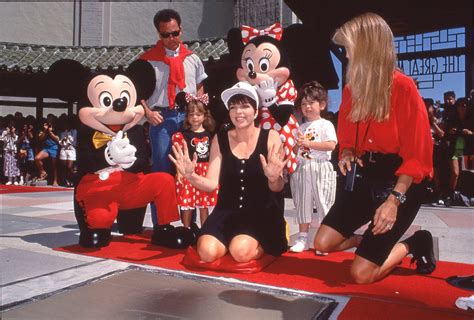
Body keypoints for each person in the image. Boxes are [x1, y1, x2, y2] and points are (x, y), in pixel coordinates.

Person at [313, 13, 436, 284]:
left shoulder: (404, 88)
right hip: (365, 174)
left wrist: (393, 201)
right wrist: (346, 151)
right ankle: (368, 243)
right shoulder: (350, 90)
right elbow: (347, 138)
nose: (345, 56)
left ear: (367, 48)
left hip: (402, 180)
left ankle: (414, 243)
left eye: (348, 49)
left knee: (361, 274)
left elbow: (418, 157)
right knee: (322, 244)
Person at [169, 82, 288, 263]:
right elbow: (210, 184)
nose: (238, 112)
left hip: (261, 212)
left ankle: (270, 241)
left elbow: (278, 187)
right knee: (206, 252)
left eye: (245, 106)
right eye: (233, 107)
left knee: (240, 252)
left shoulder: (270, 137)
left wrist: (273, 178)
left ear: (256, 111)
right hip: (227, 210)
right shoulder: (220, 138)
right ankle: (231, 241)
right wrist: (190, 175)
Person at [140, 9, 208, 227]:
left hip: (188, 117)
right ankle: (162, 223)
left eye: (175, 33)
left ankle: (190, 223)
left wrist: (199, 113)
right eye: (165, 35)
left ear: (181, 29)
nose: (171, 39)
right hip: (161, 118)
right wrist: (148, 113)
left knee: (191, 167)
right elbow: (136, 92)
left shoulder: (193, 59)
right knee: (161, 170)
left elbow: (199, 87)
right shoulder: (147, 61)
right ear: (158, 34)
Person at [289, 81, 337, 254]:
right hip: (303, 168)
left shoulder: (326, 124)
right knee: (303, 203)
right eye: (303, 104)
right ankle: (303, 238)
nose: (307, 107)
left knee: (324, 203)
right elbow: (295, 150)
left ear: (322, 105)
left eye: (311, 103)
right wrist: (297, 146)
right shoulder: (300, 128)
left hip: (321, 167)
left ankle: (325, 240)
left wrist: (308, 143)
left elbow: (331, 145)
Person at [171, 93, 218, 228]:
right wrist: (179, 172)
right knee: (187, 204)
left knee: (203, 205)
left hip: (204, 173)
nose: (195, 118)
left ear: (204, 116)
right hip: (188, 172)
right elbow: (179, 156)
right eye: (191, 115)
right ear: (187, 117)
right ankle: (186, 229)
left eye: (198, 114)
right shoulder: (182, 136)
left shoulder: (210, 135)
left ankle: (205, 230)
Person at [444, 97, 473, 206]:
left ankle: (466, 196)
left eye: (464, 105)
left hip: (469, 150)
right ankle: (449, 195)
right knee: (455, 173)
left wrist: (469, 133)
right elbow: (446, 134)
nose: (462, 108)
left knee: (469, 174)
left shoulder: (471, 119)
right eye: (460, 105)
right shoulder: (452, 119)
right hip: (455, 150)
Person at [35, 115, 60, 186]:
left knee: (54, 165)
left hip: (54, 147)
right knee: (37, 158)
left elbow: (57, 139)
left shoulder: (56, 128)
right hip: (46, 148)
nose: (49, 121)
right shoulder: (43, 128)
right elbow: (40, 138)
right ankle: (43, 172)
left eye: (51, 119)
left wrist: (50, 132)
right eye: (48, 119)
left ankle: (55, 180)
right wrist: (45, 130)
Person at [58, 114, 78, 187]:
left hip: (71, 149)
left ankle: (71, 180)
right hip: (63, 149)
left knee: (69, 166)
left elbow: (74, 142)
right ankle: (65, 180)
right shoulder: (62, 132)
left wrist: (68, 136)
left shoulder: (74, 131)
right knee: (63, 166)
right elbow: (60, 142)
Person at [0, 120, 20, 185]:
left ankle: (15, 179)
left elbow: (16, 140)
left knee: (14, 165)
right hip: (7, 150)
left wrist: (13, 133)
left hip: (14, 150)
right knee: (8, 164)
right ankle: (9, 179)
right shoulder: (5, 132)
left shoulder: (16, 132)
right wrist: (7, 133)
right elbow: (2, 140)